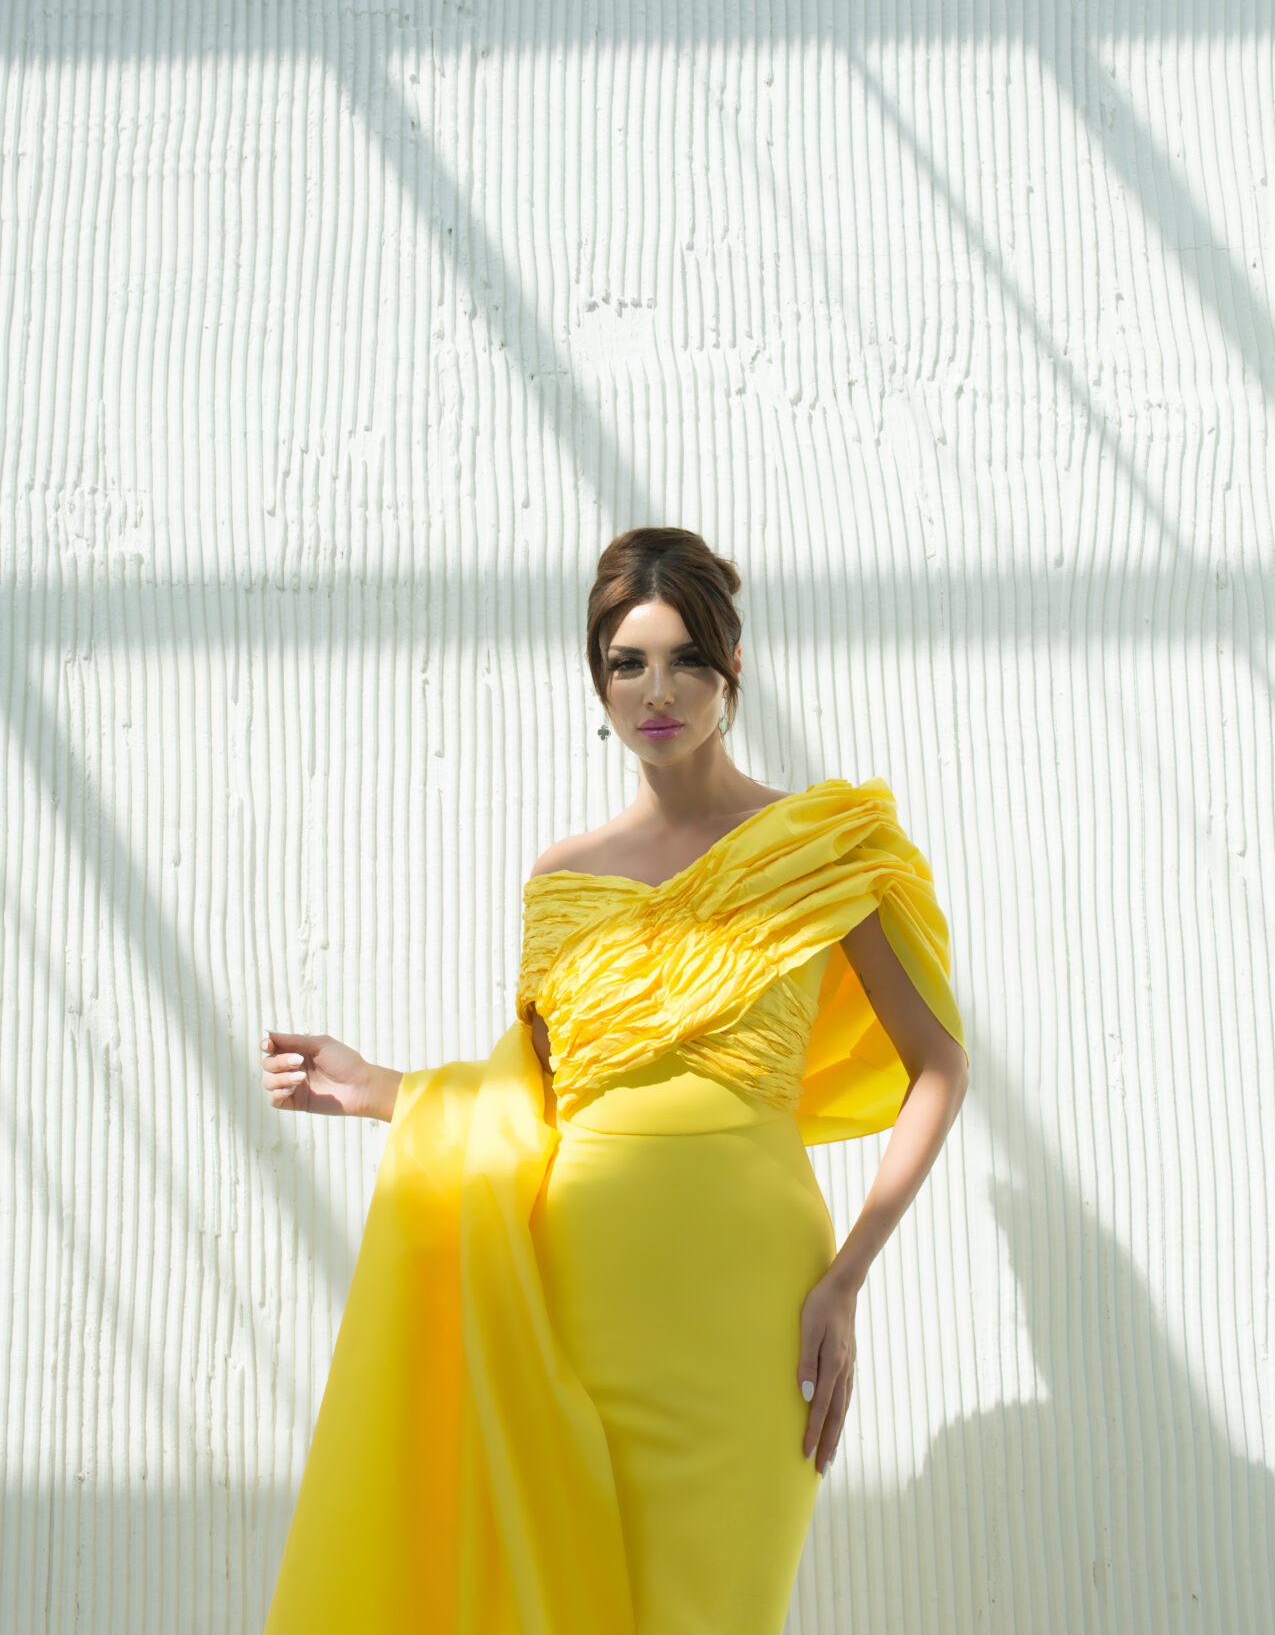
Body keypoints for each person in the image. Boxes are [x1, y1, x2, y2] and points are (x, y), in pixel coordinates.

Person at [258, 526, 969, 1635]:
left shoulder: (820, 847)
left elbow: (939, 1066)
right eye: (627, 662)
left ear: (731, 668)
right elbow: (534, 1100)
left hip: (754, 1305)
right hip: (583, 1288)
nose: (657, 691)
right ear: (598, 679)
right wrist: (379, 1088)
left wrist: (846, 1279)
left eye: (685, 659)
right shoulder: (563, 878)